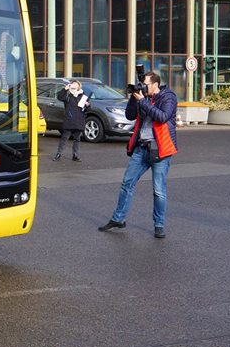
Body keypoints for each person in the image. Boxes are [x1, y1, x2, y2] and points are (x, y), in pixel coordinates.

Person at [98, 71, 179, 239]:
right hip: (141, 148)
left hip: (160, 149)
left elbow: (162, 117)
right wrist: (134, 98)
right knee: (127, 183)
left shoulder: (168, 97)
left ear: (156, 84)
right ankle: (118, 219)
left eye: (146, 84)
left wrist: (143, 101)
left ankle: (159, 224)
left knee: (159, 190)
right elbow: (130, 115)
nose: (143, 87)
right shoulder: (143, 97)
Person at [54, 80, 87, 162]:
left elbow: (86, 109)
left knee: (77, 139)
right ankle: (59, 154)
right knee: (65, 138)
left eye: (76, 84)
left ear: (79, 86)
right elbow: (60, 97)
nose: (74, 85)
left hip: (79, 120)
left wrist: (87, 105)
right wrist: (65, 89)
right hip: (69, 120)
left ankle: (75, 155)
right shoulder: (68, 95)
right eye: (73, 84)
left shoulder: (82, 96)